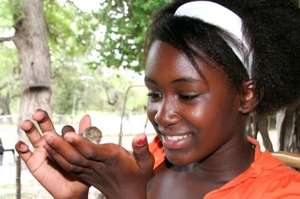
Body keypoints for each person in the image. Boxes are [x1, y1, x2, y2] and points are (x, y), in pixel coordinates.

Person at [15, 0, 300, 198]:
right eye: (155, 94)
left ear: (246, 95)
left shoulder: (284, 192)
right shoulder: (149, 163)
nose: (162, 115)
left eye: (187, 95)